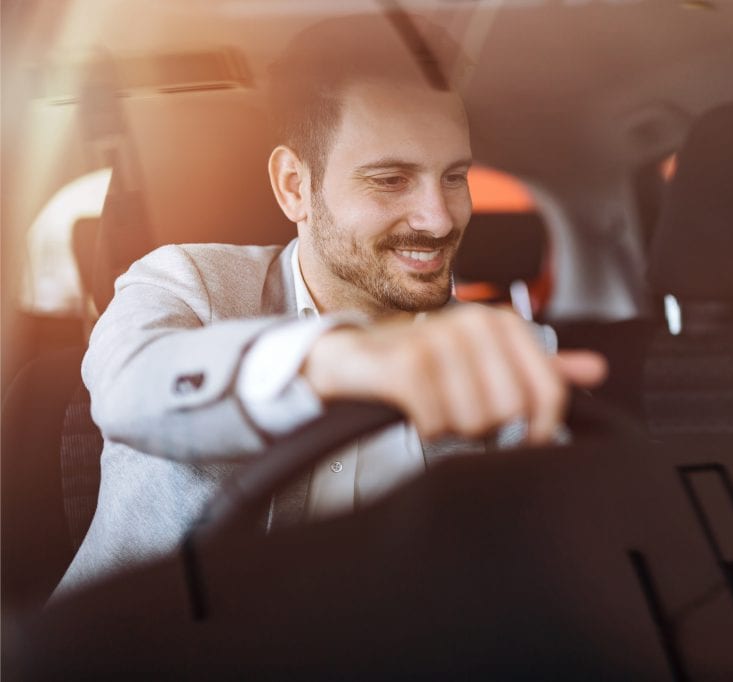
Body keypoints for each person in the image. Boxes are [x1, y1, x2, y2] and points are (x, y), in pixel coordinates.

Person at [54, 16, 605, 596]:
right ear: (295, 186)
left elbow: (556, 559)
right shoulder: (189, 283)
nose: (440, 218)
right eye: (391, 180)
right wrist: (334, 360)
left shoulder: (505, 346)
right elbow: (130, 388)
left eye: (454, 177)